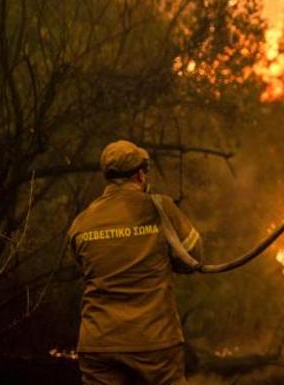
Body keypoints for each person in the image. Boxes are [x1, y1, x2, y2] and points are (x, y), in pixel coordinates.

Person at [69, 140, 202, 385]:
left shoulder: (82, 222)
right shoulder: (160, 208)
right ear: (140, 175)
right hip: (154, 343)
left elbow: (83, 269)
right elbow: (195, 257)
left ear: (107, 177)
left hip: (99, 343)